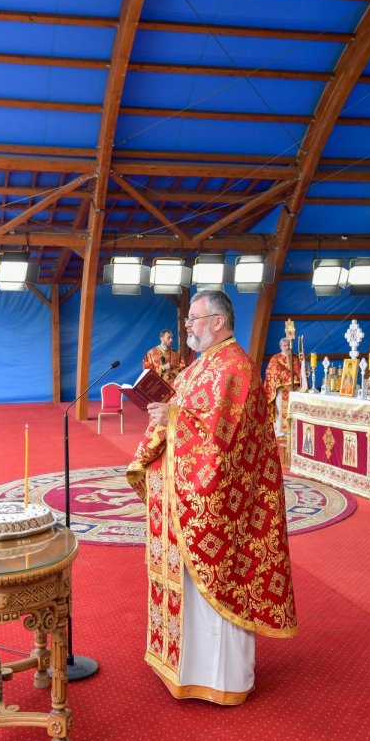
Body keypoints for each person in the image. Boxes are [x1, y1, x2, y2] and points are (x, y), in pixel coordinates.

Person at [127, 290, 297, 705]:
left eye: (194, 318)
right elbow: (187, 413)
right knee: (185, 589)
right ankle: (182, 667)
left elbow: (224, 438)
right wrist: (165, 413)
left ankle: (221, 681)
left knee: (217, 586)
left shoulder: (235, 367)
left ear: (217, 322)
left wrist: (173, 417)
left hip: (221, 503)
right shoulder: (200, 365)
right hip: (182, 494)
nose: (186, 326)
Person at [263, 337, 299, 436]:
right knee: (280, 409)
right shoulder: (275, 358)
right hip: (281, 389)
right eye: (285, 345)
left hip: (295, 389)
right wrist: (285, 378)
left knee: (294, 408)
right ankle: (280, 431)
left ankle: (293, 430)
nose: (287, 347)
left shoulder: (296, 358)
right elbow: (271, 373)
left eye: (289, 345)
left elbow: (300, 372)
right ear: (281, 347)